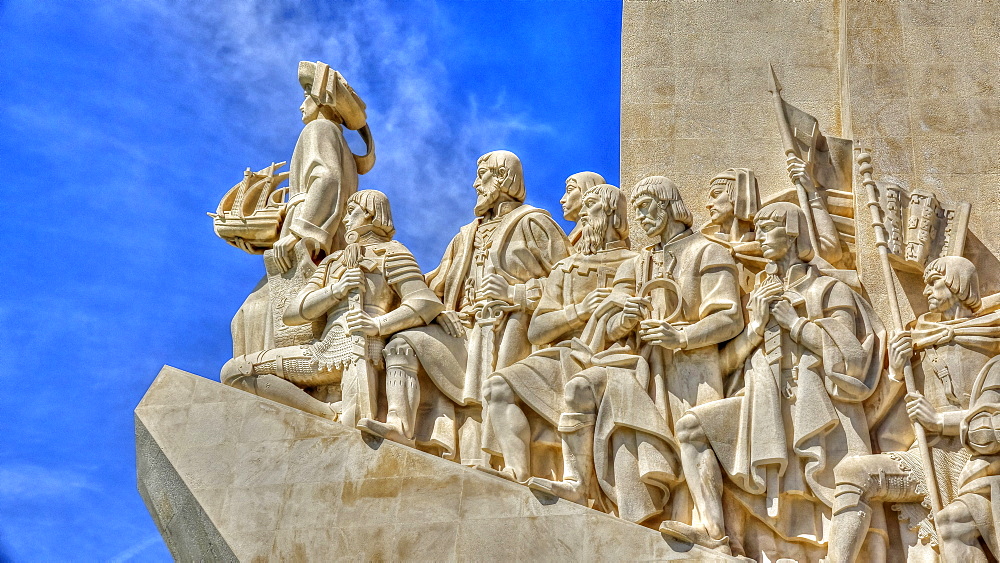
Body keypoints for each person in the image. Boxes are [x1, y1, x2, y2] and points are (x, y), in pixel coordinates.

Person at [659, 202, 885, 560]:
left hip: (818, 405)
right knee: (691, 428)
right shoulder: (759, 296)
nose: (757, 236)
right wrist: (755, 327)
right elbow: (727, 364)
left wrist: (794, 324)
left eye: (767, 229)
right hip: (763, 402)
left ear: (792, 233)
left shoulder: (829, 290)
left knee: (844, 488)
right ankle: (714, 533)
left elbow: (852, 358)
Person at [528, 176, 743, 525]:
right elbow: (612, 327)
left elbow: (730, 316)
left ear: (670, 205)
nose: (640, 217)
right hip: (638, 365)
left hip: (690, 364)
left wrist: (682, 337)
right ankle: (576, 482)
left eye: (646, 207)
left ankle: (709, 528)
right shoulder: (636, 264)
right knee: (582, 389)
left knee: (690, 438)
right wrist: (624, 321)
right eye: (637, 209)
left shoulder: (708, 251)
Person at [378, 151, 570, 464]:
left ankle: (497, 464)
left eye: (483, 176)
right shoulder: (465, 236)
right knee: (401, 344)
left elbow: (571, 283)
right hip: (462, 329)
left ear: (505, 178)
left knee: (488, 400)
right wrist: (436, 310)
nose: (475, 183)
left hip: (511, 333)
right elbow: (432, 285)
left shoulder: (535, 222)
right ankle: (398, 425)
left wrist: (516, 293)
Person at [827, 256, 1000, 562]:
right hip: (926, 456)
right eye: (925, 284)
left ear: (958, 285)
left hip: (975, 459)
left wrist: (939, 421)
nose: (927, 291)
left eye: (935, 282)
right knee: (852, 474)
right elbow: (875, 417)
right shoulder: (919, 344)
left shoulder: (990, 342)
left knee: (955, 527)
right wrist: (895, 371)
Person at [220, 190, 442, 422]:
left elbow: (424, 302)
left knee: (356, 422)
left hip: (364, 347)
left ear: (370, 213)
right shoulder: (332, 262)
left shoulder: (391, 253)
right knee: (235, 371)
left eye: (352, 212)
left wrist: (377, 325)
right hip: (323, 350)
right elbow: (294, 313)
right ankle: (326, 413)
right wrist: (337, 290)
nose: (345, 220)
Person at [481, 184, 635, 483]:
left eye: (592, 206)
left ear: (613, 214)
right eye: (585, 207)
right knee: (497, 387)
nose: (584, 215)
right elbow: (538, 330)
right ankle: (517, 471)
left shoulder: (636, 263)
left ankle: (576, 483)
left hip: (612, 358)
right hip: (563, 354)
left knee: (578, 389)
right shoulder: (565, 268)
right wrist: (579, 311)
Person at [231, 61, 371, 358]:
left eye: (307, 95)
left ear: (323, 101)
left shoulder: (319, 129)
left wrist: (299, 233)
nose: (300, 105)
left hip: (311, 241)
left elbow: (328, 180)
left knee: (252, 315)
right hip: (322, 234)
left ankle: (268, 376)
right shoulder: (337, 139)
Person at [559, 171, 606, 249]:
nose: (562, 200)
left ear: (588, 191)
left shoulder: (600, 231)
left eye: (569, 190)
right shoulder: (575, 234)